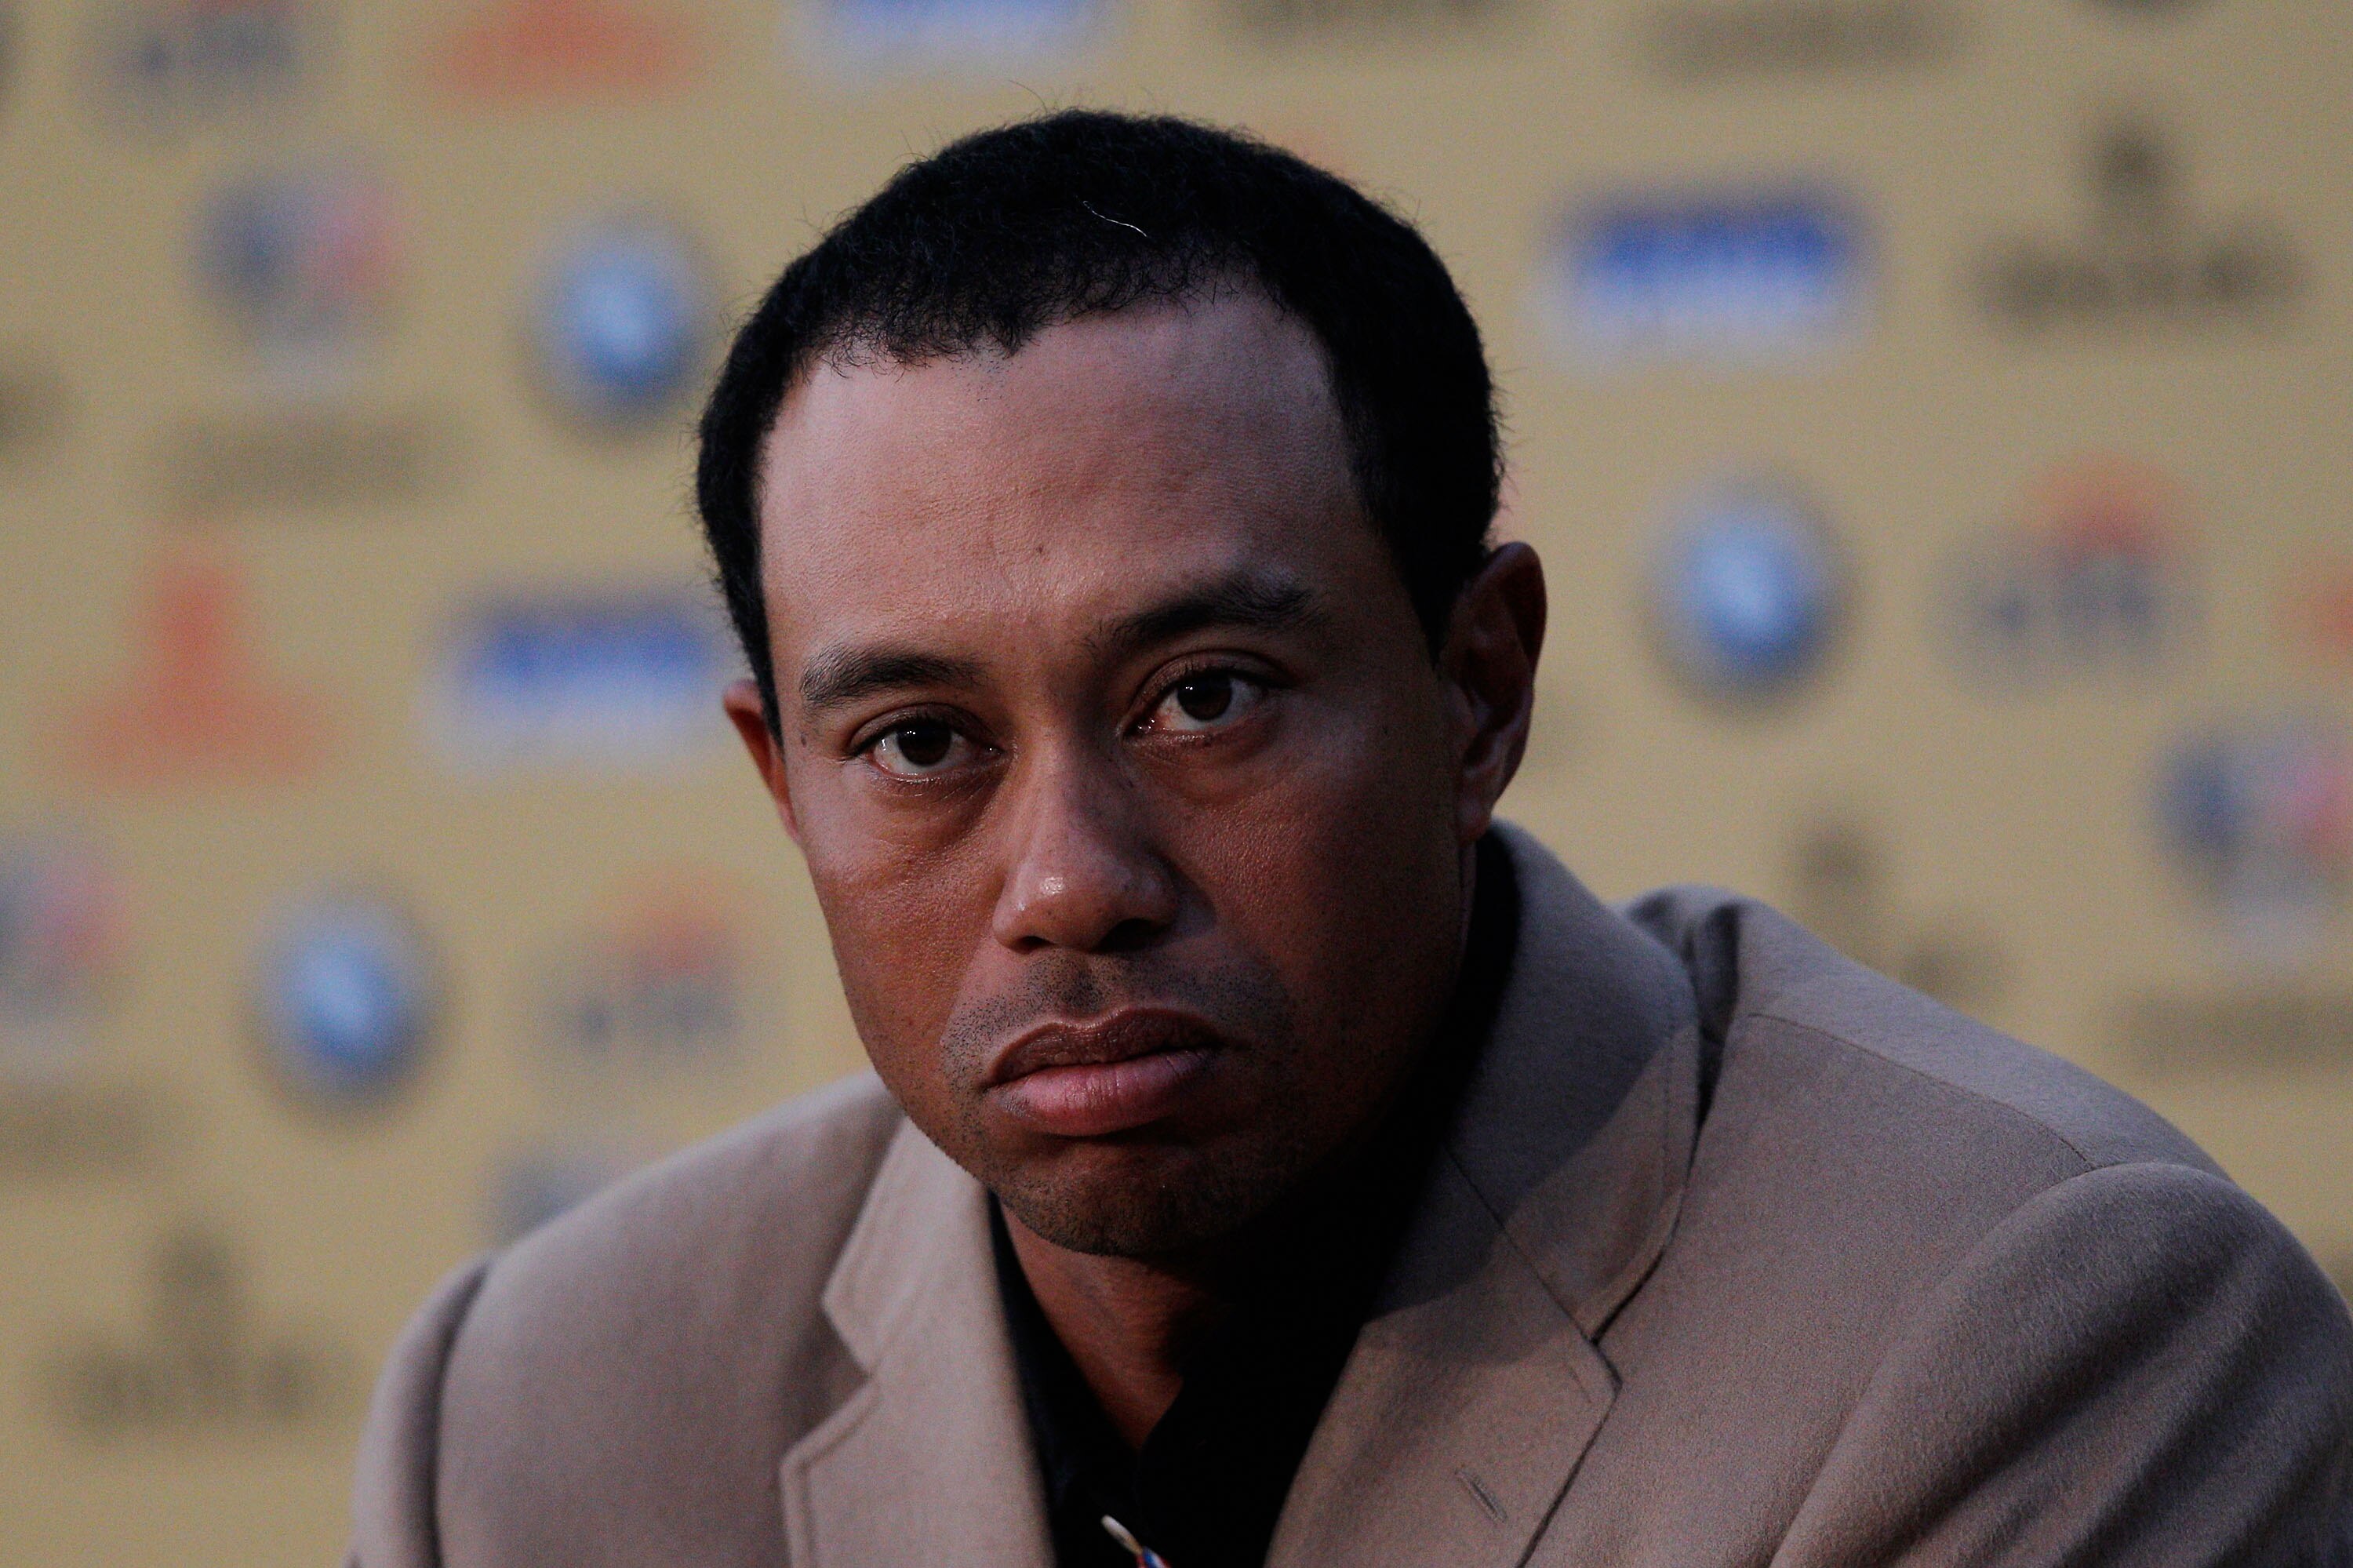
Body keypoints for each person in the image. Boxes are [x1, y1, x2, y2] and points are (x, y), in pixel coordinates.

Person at [347, 111, 2352, 1568]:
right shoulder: (533, 1420)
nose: (1067, 881)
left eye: (1205, 693)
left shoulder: (2038, 1327)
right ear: (780, 782)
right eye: (922, 740)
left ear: (1478, 687)